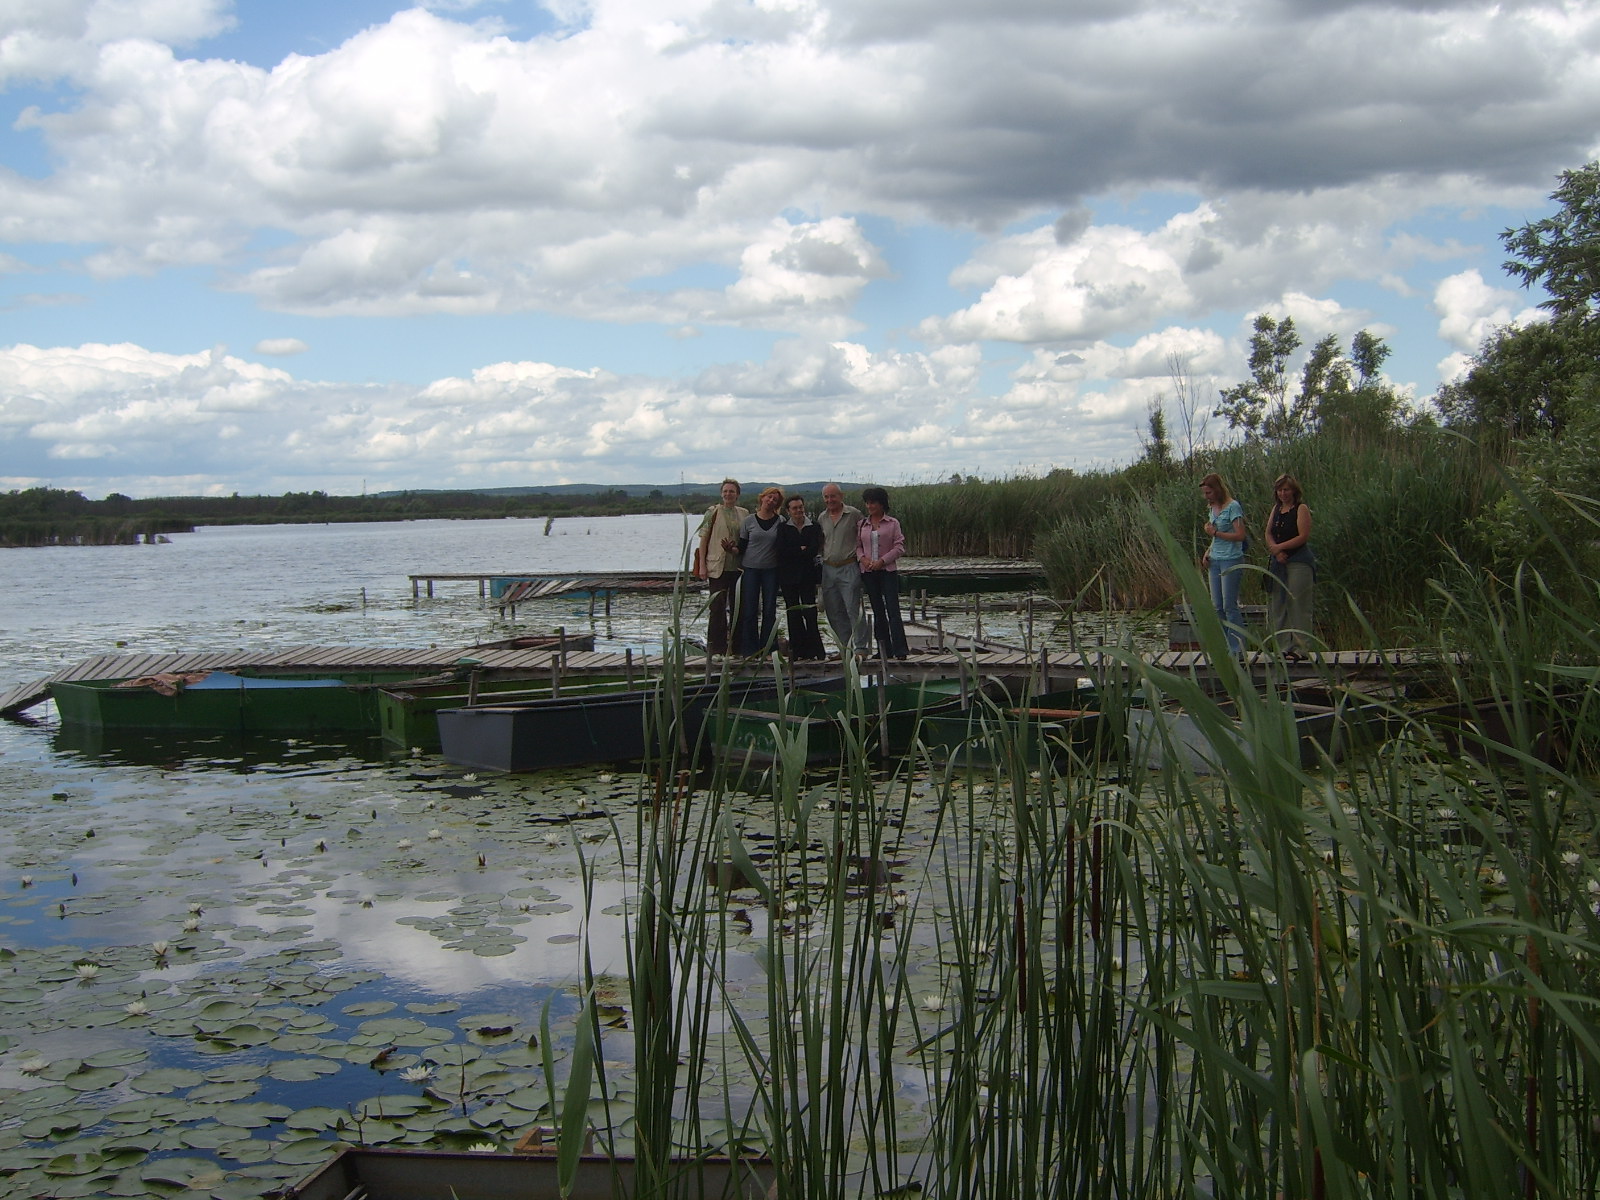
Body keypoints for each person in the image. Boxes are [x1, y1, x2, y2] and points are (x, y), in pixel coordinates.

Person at [1264, 472, 1315, 661]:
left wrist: (1281, 547)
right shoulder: (1276, 509)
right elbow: (1268, 533)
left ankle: (1301, 648)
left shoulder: (1301, 509)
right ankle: (1283, 646)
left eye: (1286, 490)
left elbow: (1303, 536)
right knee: (1278, 603)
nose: (1283, 494)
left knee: (1298, 604)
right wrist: (1276, 551)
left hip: (1298, 561)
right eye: (1279, 490)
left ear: (1293, 491)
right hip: (1279, 562)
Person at [694, 479, 747, 655]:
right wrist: (702, 566)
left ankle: (737, 647)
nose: (728, 494)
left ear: (737, 494)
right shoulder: (713, 512)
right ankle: (716, 649)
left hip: (738, 567)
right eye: (725, 491)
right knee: (717, 607)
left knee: (738, 607)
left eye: (731, 491)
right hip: (717, 566)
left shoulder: (744, 513)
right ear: (721, 493)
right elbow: (703, 540)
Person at [857, 485, 908, 660]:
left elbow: (899, 547)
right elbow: (857, 547)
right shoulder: (862, 524)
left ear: (881, 504)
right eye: (867, 503)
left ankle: (900, 650)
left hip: (887, 571)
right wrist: (863, 559)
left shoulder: (893, 523)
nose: (870, 506)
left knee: (893, 610)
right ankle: (884, 649)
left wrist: (883, 561)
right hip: (868, 572)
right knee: (878, 611)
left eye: (873, 503)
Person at [816, 483, 867, 656]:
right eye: (826, 497)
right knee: (834, 612)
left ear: (841, 496)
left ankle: (860, 648)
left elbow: (864, 536)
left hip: (849, 566)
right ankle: (845, 649)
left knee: (853, 609)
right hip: (828, 568)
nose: (830, 500)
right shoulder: (822, 517)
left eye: (833, 496)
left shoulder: (854, 514)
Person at [1199, 472, 1248, 656]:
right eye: (1205, 493)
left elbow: (1240, 535)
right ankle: (1225, 645)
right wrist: (1208, 551)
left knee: (1229, 605)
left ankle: (1237, 648)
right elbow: (1215, 537)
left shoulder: (1233, 507)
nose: (1207, 496)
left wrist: (1215, 533)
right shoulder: (1212, 508)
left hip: (1231, 558)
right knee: (1217, 606)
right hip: (1215, 559)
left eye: (1209, 492)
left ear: (1217, 490)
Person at [736, 486, 786, 656]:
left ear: (777, 504)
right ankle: (749, 650)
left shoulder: (781, 521)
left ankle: (769, 648)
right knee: (749, 610)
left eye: (775, 499)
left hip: (771, 570)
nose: (771, 501)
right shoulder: (749, 521)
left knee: (769, 610)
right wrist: (730, 549)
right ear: (762, 498)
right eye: (769, 497)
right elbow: (741, 547)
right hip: (750, 570)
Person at [777, 494, 826, 660]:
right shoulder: (783, 528)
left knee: (810, 612)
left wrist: (796, 551)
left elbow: (813, 549)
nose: (798, 510)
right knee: (793, 613)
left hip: (808, 576)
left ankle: (815, 650)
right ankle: (797, 651)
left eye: (800, 507)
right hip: (787, 577)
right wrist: (800, 549)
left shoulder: (814, 526)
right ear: (788, 511)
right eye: (794, 508)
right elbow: (781, 551)